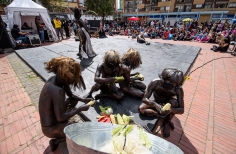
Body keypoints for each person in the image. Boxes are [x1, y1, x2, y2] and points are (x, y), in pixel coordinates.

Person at [39, 57, 92, 151]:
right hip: (50, 128)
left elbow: (71, 95)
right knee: (77, 130)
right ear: (67, 75)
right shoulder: (56, 90)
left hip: (56, 119)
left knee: (73, 100)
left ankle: (65, 125)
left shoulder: (58, 79)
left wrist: (83, 99)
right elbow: (60, 117)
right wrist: (79, 109)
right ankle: (56, 141)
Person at [139, 68, 185, 138]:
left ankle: (166, 121)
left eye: (173, 83)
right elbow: (144, 99)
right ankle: (161, 116)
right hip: (156, 101)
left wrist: (171, 110)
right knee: (141, 109)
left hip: (168, 104)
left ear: (177, 84)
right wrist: (155, 105)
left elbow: (181, 110)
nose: (170, 84)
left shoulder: (178, 90)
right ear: (163, 78)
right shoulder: (155, 82)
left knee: (175, 102)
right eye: (168, 81)